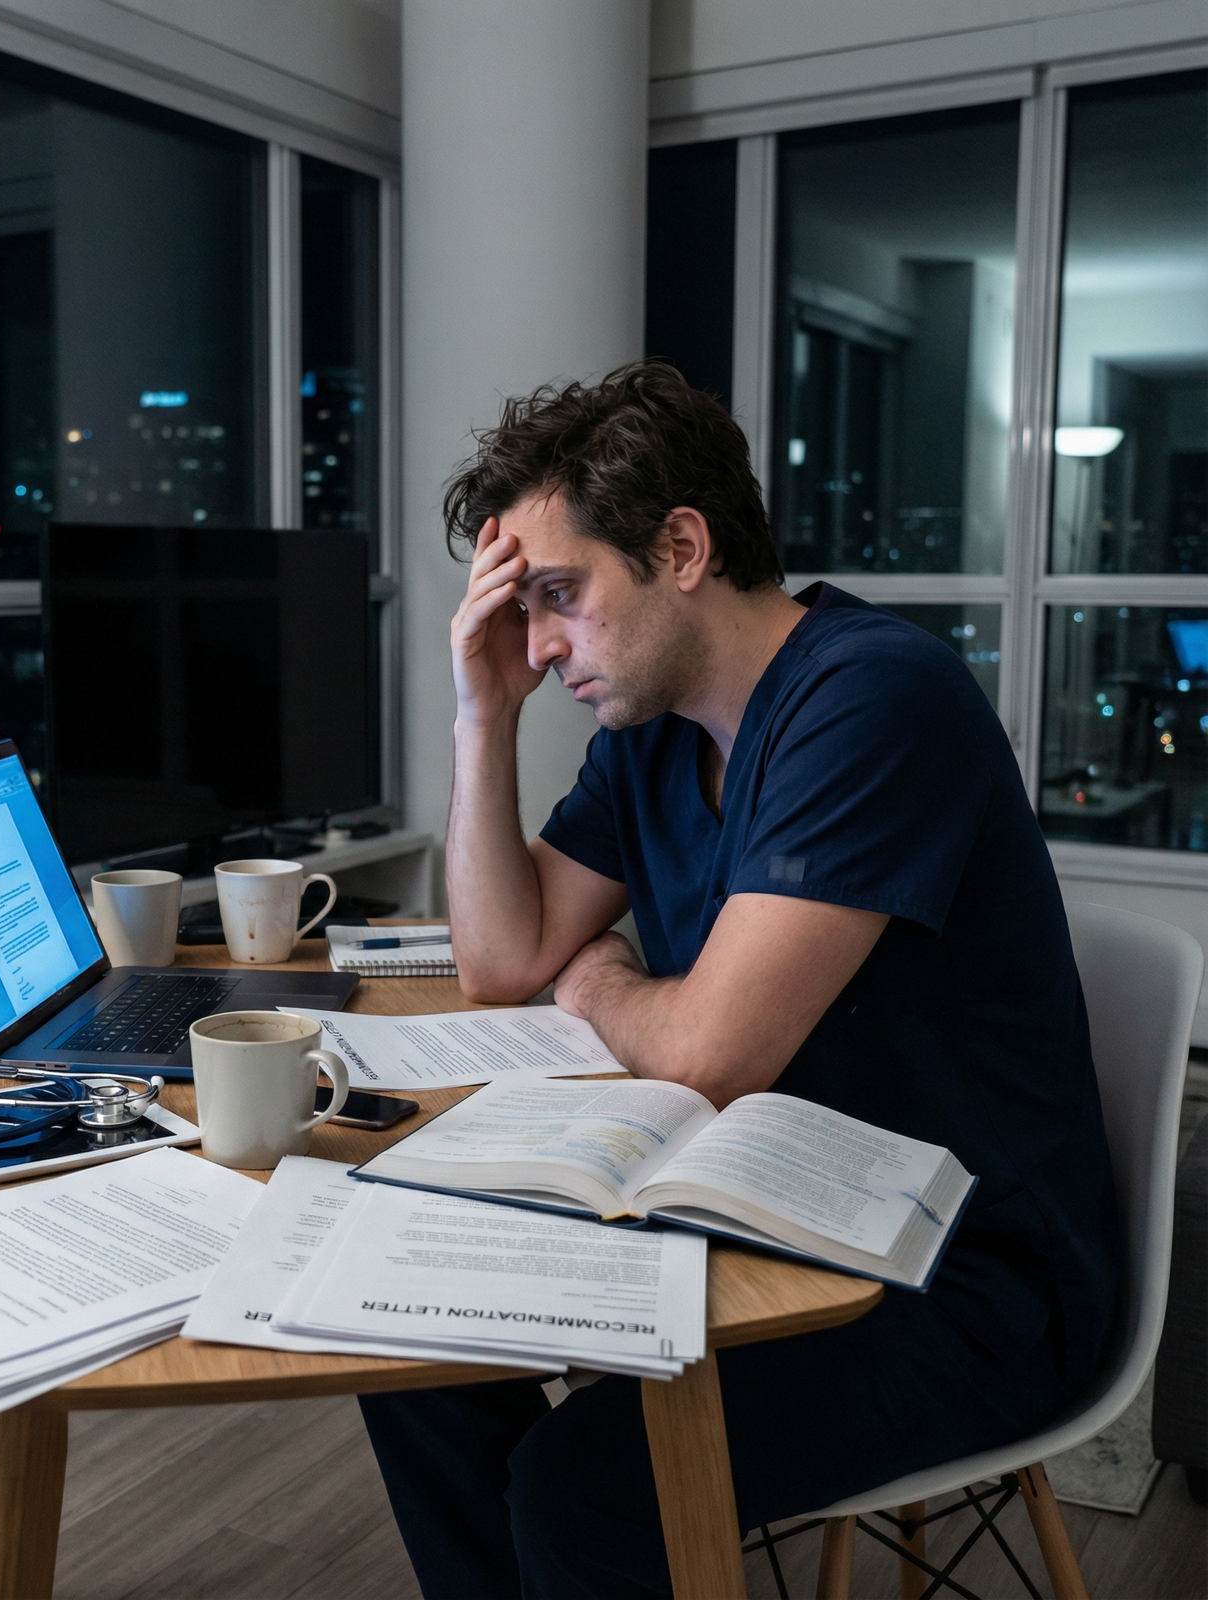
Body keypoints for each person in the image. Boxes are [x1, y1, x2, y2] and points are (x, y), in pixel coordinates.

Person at [357, 361, 1122, 1600]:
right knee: (403, 1341)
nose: (540, 646)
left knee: (582, 1490)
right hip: (759, 1208)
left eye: (560, 596)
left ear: (681, 547)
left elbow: (710, 1053)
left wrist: (599, 983)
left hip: (961, 1274)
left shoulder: (872, 694)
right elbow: (500, 962)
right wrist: (480, 715)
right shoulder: (650, 726)